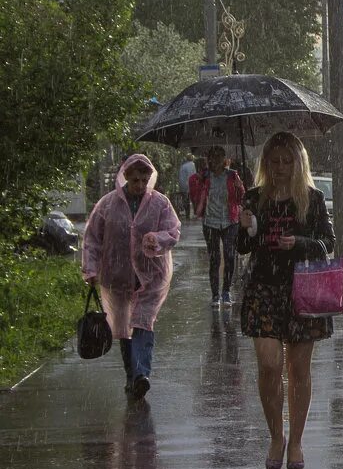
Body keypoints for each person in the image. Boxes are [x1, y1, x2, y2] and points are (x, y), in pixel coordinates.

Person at [238, 132, 334, 469]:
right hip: (263, 289)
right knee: (268, 366)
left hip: (302, 290)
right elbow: (242, 248)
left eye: (286, 161)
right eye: (274, 161)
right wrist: (246, 228)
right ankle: (275, 437)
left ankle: (296, 441)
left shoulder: (312, 199)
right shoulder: (253, 199)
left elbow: (327, 242)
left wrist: (301, 243)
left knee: (298, 370)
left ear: (298, 163)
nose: (280, 168)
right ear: (265, 163)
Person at [82, 154, 181, 398]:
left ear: (150, 178)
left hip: (150, 277)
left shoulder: (160, 203)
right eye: (134, 179)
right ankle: (131, 375)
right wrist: (91, 268)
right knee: (125, 328)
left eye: (144, 179)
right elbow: (93, 238)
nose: (139, 185)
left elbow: (173, 231)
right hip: (117, 276)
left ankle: (141, 374)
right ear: (125, 176)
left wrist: (157, 239)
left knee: (143, 323)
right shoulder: (107, 204)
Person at [193, 146, 246, 306]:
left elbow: (241, 197)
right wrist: (199, 181)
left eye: (219, 157)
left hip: (230, 221)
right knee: (214, 259)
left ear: (224, 159)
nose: (216, 160)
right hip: (210, 222)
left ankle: (226, 291)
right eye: (213, 157)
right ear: (209, 159)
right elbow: (195, 193)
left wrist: (239, 186)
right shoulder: (205, 176)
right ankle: (215, 295)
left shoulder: (231, 175)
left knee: (229, 256)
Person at [176, 154, 196, 219]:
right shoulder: (193, 165)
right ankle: (194, 213)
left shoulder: (183, 166)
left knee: (186, 200)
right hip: (191, 185)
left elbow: (180, 177)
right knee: (193, 199)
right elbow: (193, 175)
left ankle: (187, 214)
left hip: (183, 185)